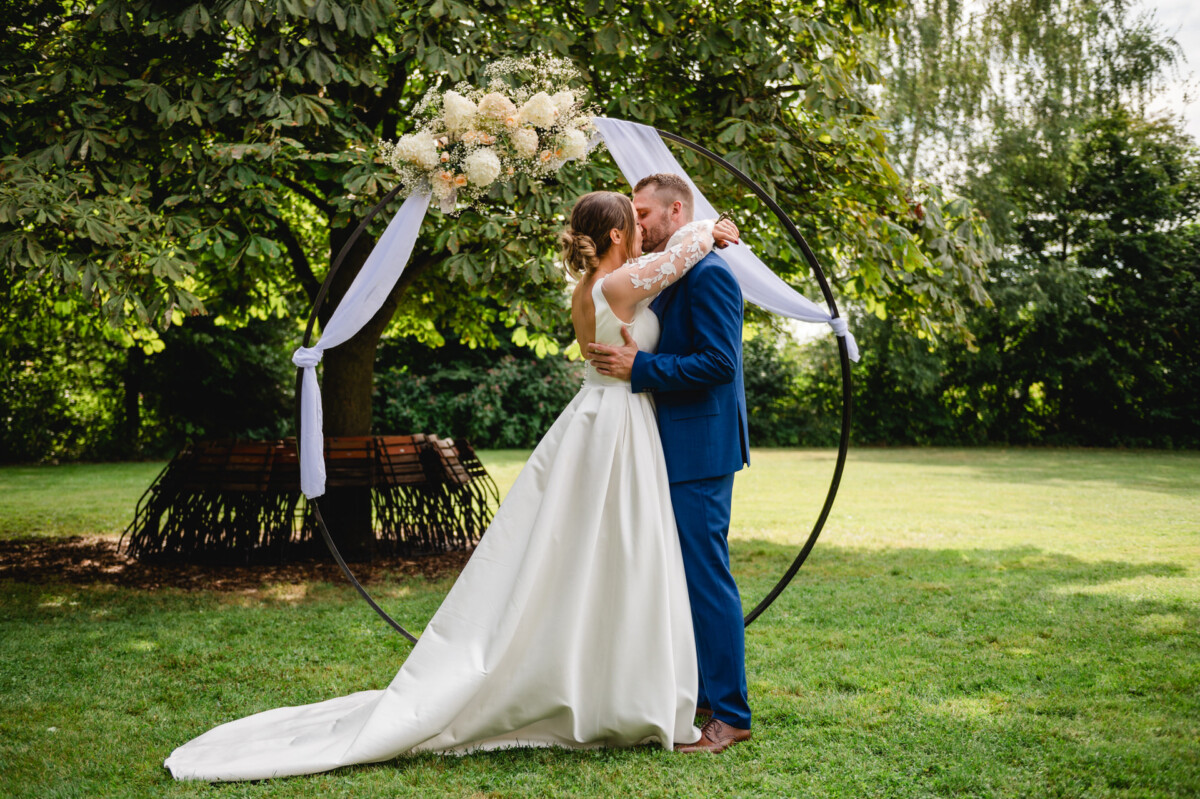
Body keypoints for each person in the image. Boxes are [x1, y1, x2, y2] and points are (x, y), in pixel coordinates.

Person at [163, 191, 741, 781]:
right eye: (634, 221)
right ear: (617, 236)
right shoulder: (623, 284)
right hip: (619, 424)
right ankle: (627, 683)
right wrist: (709, 228)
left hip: (605, 419)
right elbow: (675, 259)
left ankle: (621, 677)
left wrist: (695, 241)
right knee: (625, 547)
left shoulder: (587, 290)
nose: (645, 231)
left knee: (597, 552)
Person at [588, 173, 752, 754]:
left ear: (676, 210)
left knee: (708, 580)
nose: (638, 225)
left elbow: (718, 364)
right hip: (667, 443)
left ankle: (730, 713)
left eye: (644, 214)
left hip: (700, 448)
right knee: (684, 578)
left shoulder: (709, 274)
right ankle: (704, 696)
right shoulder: (677, 269)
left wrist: (642, 370)